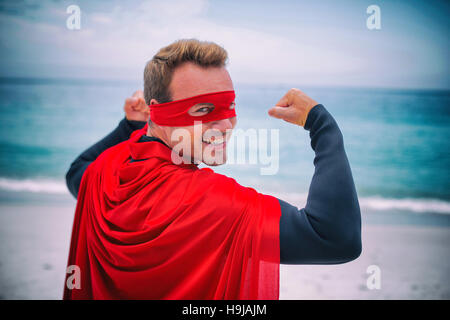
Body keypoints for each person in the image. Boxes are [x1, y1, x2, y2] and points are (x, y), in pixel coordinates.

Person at [64, 39, 361, 300]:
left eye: (229, 106)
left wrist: (131, 126)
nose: (224, 124)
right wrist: (323, 127)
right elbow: (334, 238)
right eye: (203, 109)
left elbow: (77, 171)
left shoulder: (105, 172)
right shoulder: (212, 203)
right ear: (159, 110)